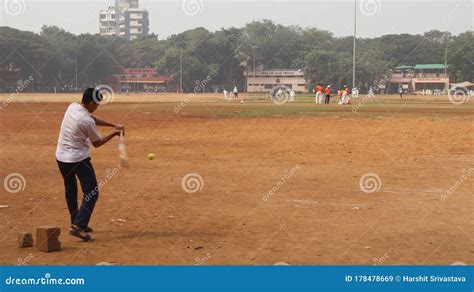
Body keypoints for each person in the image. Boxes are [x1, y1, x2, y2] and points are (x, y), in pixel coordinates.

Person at [56, 88, 125, 242]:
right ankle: (78, 227)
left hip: (61, 157)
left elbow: (91, 118)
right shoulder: (85, 120)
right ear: (91, 103)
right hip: (78, 159)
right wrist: (115, 133)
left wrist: (113, 125)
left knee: (70, 189)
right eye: (97, 104)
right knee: (92, 191)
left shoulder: (73, 106)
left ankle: (76, 221)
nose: (97, 107)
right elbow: (97, 143)